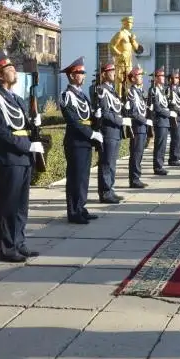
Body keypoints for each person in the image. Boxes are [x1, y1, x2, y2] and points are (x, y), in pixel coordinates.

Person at [0, 50, 45, 263]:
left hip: (24, 158)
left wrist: (35, 125)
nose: (14, 71)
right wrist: (28, 146)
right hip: (10, 158)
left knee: (21, 206)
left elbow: (23, 127)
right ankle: (7, 248)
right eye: (9, 68)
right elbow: (1, 132)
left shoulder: (17, 99)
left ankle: (19, 242)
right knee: (8, 205)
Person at [59, 57, 103, 224]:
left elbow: (88, 118)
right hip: (75, 142)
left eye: (83, 72)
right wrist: (91, 134)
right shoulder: (66, 96)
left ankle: (81, 207)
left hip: (85, 142)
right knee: (75, 178)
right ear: (71, 75)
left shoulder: (83, 95)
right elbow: (73, 121)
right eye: (80, 72)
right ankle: (73, 212)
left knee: (83, 178)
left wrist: (96, 117)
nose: (83, 75)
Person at [94, 62, 124, 204]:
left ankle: (110, 190)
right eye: (110, 71)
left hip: (115, 132)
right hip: (108, 131)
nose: (113, 73)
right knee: (106, 163)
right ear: (104, 74)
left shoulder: (112, 90)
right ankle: (105, 193)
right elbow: (105, 113)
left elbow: (116, 109)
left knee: (112, 163)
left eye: (114, 70)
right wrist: (120, 120)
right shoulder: (102, 90)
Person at [125, 65, 150, 189]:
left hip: (142, 127)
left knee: (139, 154)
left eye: (141, 75)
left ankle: (137, 177)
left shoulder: (139, 92)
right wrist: (145, 120)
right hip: (137, 127)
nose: (141, 77)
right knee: (136, 154)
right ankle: (134, 179)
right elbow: (133, 113)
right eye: (139, 75)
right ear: (133, 78)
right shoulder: (131, 92)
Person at [108, 16, 144, 99]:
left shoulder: (130, 35)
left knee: (129, 80)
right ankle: (118, 99)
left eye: (132, 23)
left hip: (128, 62)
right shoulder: (120, 33)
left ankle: (128, 98)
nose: (131, 25)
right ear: (125, 23)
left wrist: (133, 41)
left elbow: (138, 50)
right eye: (129, 23)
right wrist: (119, 54)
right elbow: (111, 45)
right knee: (120, 81)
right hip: (121, 62)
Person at [149, 67, 171, 176]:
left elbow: (165, 104)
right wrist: (168, 113)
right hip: (159, 120)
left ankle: (160, 165)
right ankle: (157, 167)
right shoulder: (153, 90)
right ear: (156, 78)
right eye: (161, 76)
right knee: (159, 145)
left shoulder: (162, 90)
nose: (163, 78)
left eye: (163, 76)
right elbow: (157, 107)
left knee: (163, 145)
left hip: (165, 121)